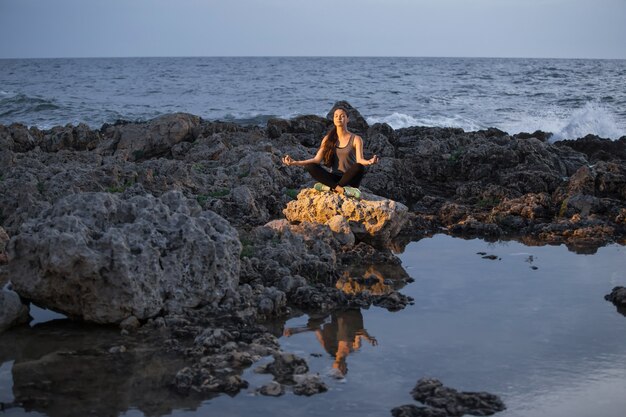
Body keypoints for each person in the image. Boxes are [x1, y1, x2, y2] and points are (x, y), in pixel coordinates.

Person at [282, 107, 380, 199]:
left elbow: (360, 160)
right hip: (334, 178)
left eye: (342, 116)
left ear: (347, 119)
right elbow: (316, 160)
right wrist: (294, 162)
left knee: (359, 166)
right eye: (336, 116)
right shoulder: (327, 139)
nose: (339, 118)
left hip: (350, 179)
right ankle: (339, 189)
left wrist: (370, 162)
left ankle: (331, 188)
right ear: (333, 119)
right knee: (310, 166)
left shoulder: (356, 139)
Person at [283, 309, 377, 377]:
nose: (339, 369)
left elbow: (316, 329)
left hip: (337, 313)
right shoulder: (354, 348)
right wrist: (368, 337)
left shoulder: (329, 348)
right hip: (349, 312)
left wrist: (296, 331)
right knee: (348, 339)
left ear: (332, 367)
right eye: (342, 371)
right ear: (346, 367)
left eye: (337, 371)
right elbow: (359, 332)